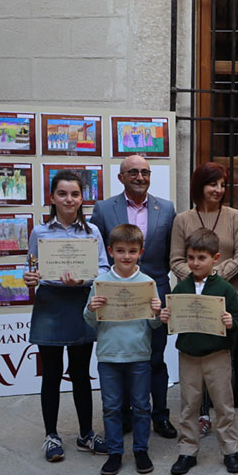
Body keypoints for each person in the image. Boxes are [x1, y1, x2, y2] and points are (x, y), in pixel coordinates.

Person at [89, 154, 178, 439]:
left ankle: (160, 416)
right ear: (121, 177)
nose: (140, 177)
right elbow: (97, 253)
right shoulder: (103, 209)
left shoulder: (166, 208)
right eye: (133, 172)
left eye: (145, 172)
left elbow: (169, 255)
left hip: (155, 293)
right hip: (116, 296)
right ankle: (125, 416)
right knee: (124, 358)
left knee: (155, 359)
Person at [24, 170, 110, 463]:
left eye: (75, 194)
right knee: (50, 374)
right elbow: (32, 268)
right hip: (50, 303)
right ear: (52, 198)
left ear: (82, 198)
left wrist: (85, 280)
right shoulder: (40, 232)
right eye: (62, 194)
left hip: (80, 303)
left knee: (80, 373)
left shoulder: (93, 232)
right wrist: (29, 277)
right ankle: (52, 436)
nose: (69, 199)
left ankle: (86, 434)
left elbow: (103, 270)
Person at [171, 162, 238, 436]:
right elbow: (177, 259)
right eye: (212, 184)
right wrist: (197, 277)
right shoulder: (183, 219)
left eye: (222, 185)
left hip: (228, 294)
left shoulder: (235, 216)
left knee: (224, 359)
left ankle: (225, 417)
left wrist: (213, 275)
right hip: (192, 299)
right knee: (195, 356)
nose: (218, 190)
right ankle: (200, 415)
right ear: (199, 186)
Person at [161, 229, 238, 475]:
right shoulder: (181, 288)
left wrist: (232, 322)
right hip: (188, 355)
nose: (195, 263)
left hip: (217, 354)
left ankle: (230, 449)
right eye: (191, 257)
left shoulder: (225, 289)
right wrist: (166, 317)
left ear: (215, 258)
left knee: (223, 404)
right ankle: (187, 450)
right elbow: (172, 323)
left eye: (201, 258)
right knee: (189, 405)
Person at [83, 224, 164, 475]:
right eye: (120, 251)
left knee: (141, 405)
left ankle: (141, 449)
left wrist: (157, 311)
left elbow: (154, 324)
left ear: (141, 251)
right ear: (110, 252)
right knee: (111, 406)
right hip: (108, 355)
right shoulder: (101, 282)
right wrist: (91, 308)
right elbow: (90, 321)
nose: (126, 256)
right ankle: (115, 451)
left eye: (131, 251)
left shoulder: (148, 282)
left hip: (139, 354)